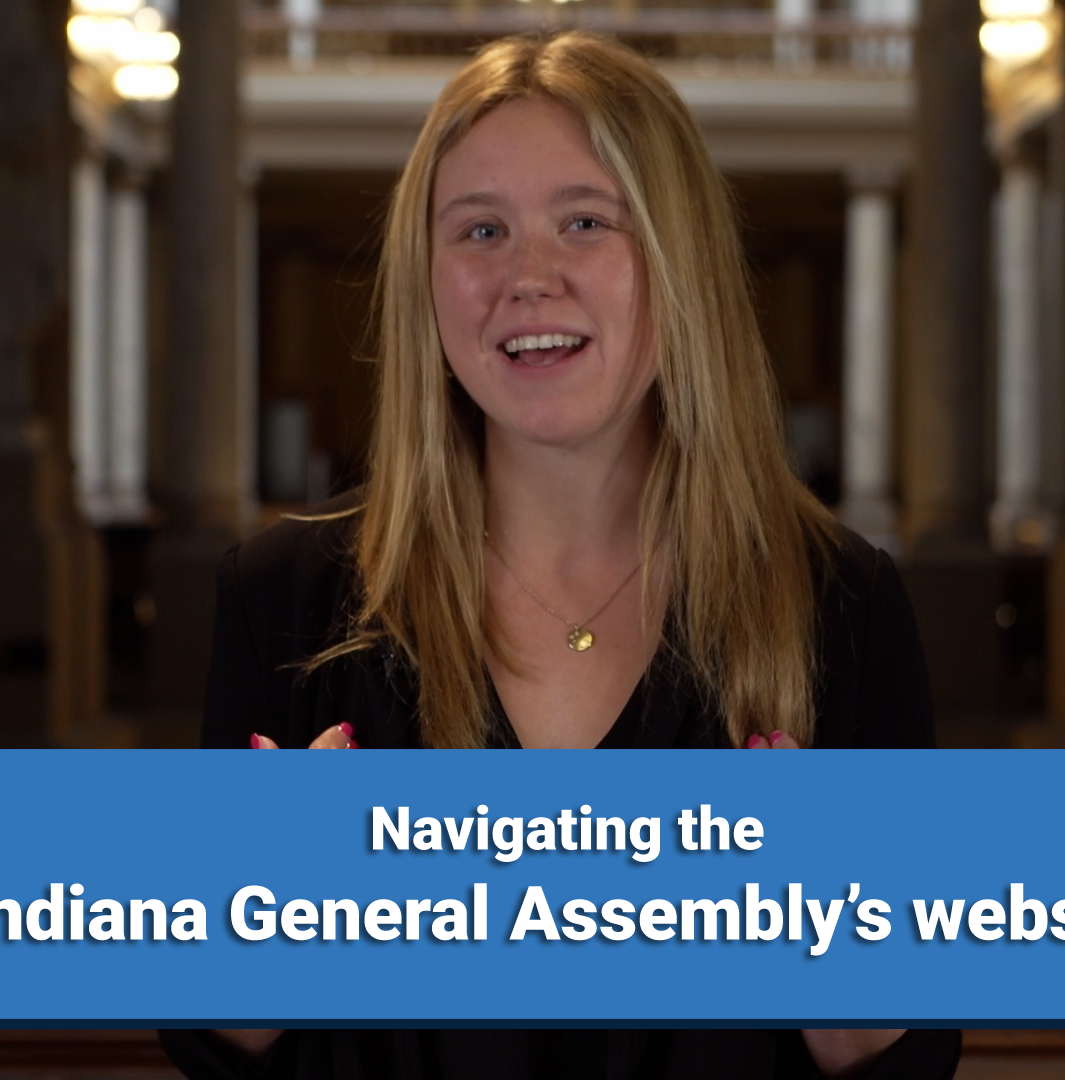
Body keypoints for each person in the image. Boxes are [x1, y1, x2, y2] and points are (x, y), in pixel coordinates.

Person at [160, 30, 959, 1080]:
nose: (528, 277)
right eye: (479, 229)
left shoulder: (840, 602)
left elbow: (900, 1062)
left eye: (585, 222)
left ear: (679, 264)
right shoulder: (284, 598)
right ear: (427, 281)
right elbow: (219, 1047)